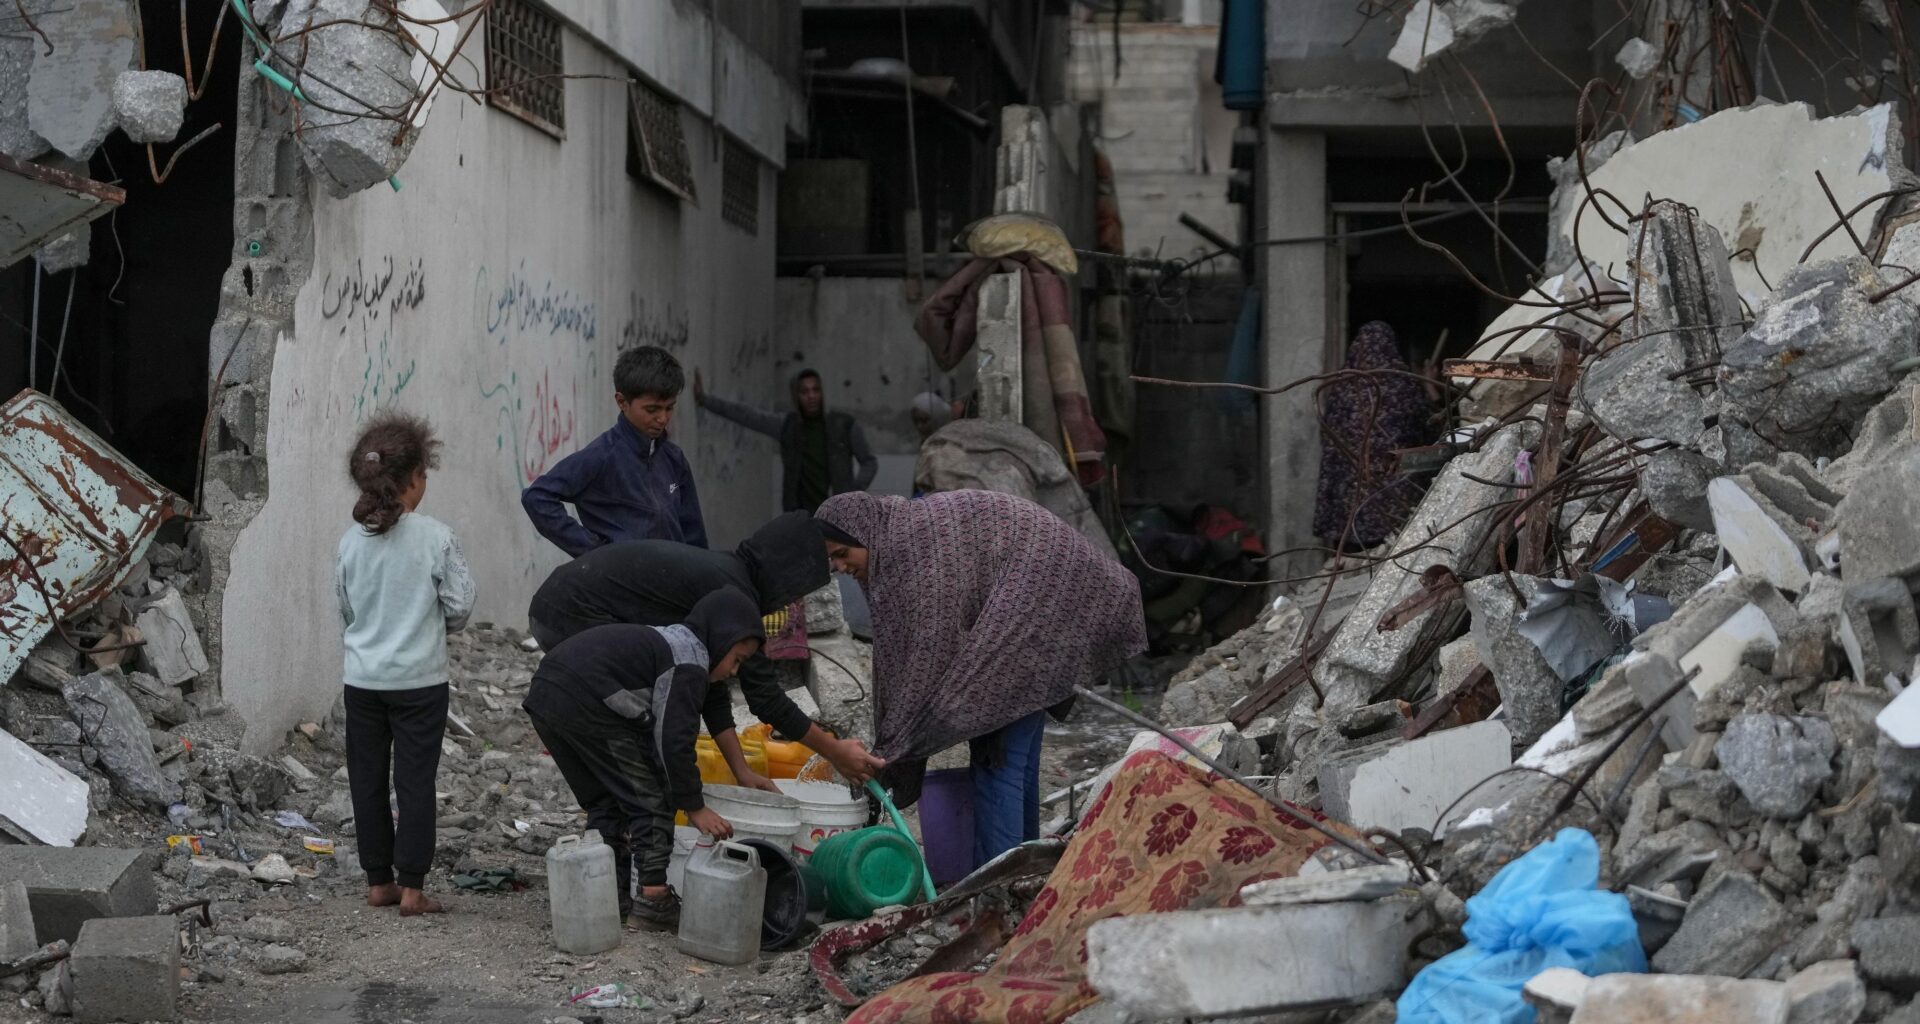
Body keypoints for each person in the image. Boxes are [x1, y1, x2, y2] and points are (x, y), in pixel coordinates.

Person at [814, 490, 1147, 871]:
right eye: (832, 559)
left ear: (863, 533)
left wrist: (891, 749)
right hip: (1040, 594)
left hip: (1043, 597)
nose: (839, 566)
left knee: (995, 751)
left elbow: (926, 658)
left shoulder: (909, 553)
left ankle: (995, 888)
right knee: (1016, 759)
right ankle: (1026, 874)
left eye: (842, 553)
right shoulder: (893, 538)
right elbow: (905, 657)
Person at [526, 511, 885, 787]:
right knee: (638, 724)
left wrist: (741, 771)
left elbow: (710, 686)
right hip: (569, 612)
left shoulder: (730, 578)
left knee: (659, 711)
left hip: (560, 605)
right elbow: (765, 699)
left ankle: (635, 815)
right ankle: (636, 821)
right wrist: (835, 751)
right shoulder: (732, 592)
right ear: (792, 571)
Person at [522, 589, 764, 928]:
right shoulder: (688, 662)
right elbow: (673, 742)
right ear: (721, 639)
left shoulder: (671, 643)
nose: (735, 671)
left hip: (547, 694)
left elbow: (696, 714)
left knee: (607, 800)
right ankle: (653, 898)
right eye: (737, 659)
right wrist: (694, 805)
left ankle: (605, 892)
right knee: (651, 797)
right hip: (588, 698)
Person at [335, 412, 476, 918]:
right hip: (419, 681)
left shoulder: (351, 541)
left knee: (366, 778)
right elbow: (459, 605)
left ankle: (379, 881)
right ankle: (413, 887)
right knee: (415, 782)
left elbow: (347, 610)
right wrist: (430, 627)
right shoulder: (436, 537)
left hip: (363, 680)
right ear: (415, 478)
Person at [523, 346, 706, 556]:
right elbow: (537, 497)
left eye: (669, 408)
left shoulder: (674, 459)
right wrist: (596, 552)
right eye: (652, 410)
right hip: (623, 586)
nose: (663, 418)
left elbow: (694, 535)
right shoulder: (602, 456)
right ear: (622, 402)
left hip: (675, 582)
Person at [1312, 321, 1433, 550]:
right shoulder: (1404, 385)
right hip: (1394, 501)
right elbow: (1427, 430)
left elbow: (1328, 440)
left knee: (1351, 561)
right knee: (1392, 554)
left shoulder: (1341, 388)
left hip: (1350, 502)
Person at [694, 368, 877, 514]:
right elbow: (747, 416)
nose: (811, 396)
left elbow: (869, 462)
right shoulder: (787, 426)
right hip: (800, 517)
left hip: (839, 514)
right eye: (804, 391)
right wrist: (705, 400)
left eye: (815, 390)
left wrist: (854, 491)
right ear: (795, 396)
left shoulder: (843, 425)